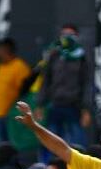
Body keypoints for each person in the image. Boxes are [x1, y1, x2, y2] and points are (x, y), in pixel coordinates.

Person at [36, 24, 93, 152]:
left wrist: (86, 109)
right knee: (51, 142)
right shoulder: (54, 54)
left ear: (77, 37)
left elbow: (87, 83)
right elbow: (46, 80)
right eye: (64, 34)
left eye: (70, 35)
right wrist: (40, 105)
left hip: (74, 106)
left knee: (77, 144)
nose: (66, 38)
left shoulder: (81, 57)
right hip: (55, 104)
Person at [0, 38, 32, 143]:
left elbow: (26, 92)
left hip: (13, 115)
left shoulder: (20, 67)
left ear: (6, 50)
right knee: (0, 145)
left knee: (13, 144)